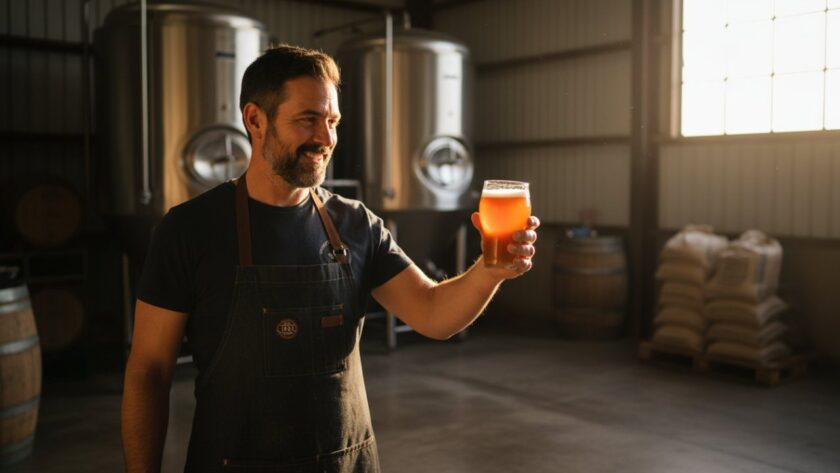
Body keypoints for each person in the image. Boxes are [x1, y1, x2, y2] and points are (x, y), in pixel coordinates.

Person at [121, 44, 539, 473]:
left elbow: (433, 313)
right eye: (308, 120)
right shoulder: (190, 229)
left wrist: (489, 272)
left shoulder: (356, 224)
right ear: (254, 120)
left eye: (332, 121)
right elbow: (149, 371)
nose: (325, 138)